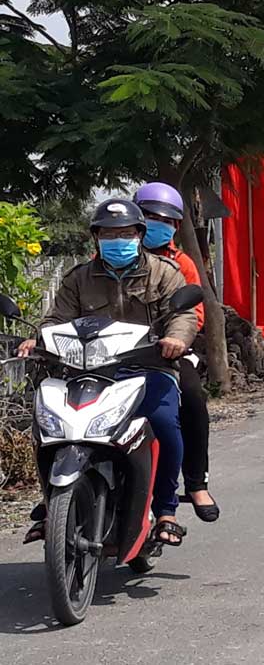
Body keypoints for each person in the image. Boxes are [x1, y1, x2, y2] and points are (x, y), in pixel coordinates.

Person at [19, 199, 198, 547]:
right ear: (96, 238)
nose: (119, 240)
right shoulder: (79, 278)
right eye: (110, 234)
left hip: (146, 367)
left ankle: (166, 511)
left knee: (164, 424)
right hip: (89, 371)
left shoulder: (164, 273)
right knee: (49, 428)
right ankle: (52, 500)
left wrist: (176, 338)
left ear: (140, 235)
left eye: (126, 233)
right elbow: (57, 318)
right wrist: (37, 337)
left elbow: (183, 314)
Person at [134, 182, 219, 523]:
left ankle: (196, 482)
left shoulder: (181, 263)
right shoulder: (101, 261)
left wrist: (176, 340)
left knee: (193, 398)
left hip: (166, 352)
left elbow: (193, 313)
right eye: (151, 217)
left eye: (166, 220)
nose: (159, 224)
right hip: (111, 355)